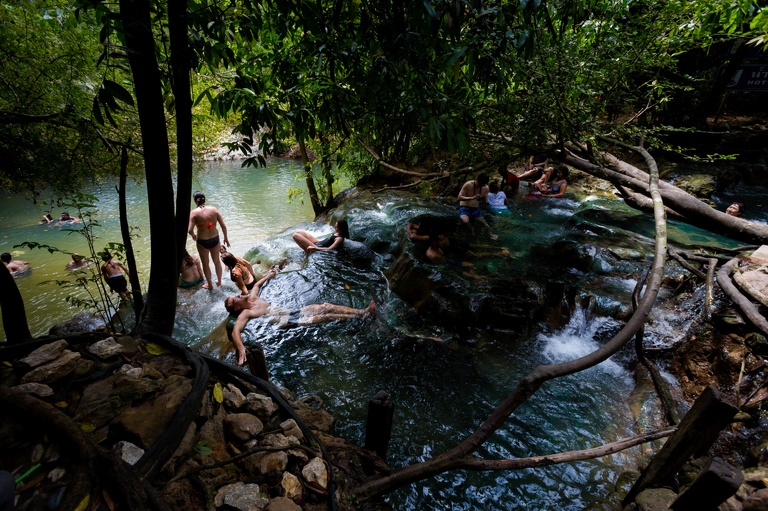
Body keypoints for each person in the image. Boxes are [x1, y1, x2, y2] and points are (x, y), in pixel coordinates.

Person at [224, 269, 376, 365]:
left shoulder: (252, 298)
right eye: (235, 298)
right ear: (237, 307)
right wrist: (241, 348)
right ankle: (360, 317)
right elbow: (235, 331)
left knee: (326, 306)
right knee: (328, 316)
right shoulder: (246, 313)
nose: (237, 294)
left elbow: (256, 286)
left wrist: (269, 276)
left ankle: (362, 312)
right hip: (291, 323)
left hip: (291, 312)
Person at [188, 191, 230, 289]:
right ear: (204, 199)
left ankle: (210, 285)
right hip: (215, 239)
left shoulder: (193, 213)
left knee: (205, 264)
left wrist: (193, 235)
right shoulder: (214, 210)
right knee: (217, 261)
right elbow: (223, 225)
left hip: (202, 241)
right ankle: (219, 282)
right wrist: (226, 238)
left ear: (195, 201)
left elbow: (190, 230)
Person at [458, 173, 494, 238]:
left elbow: (486, 200)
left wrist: (485, 201)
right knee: (465, 221)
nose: (481, 186)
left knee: (485, 225)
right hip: (464, 208)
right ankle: (471, 232)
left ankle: (490, 236)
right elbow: (459, 197)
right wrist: (472, 198)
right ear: (477, 179)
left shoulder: (485, 188)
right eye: (480, 184)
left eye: (483, 184)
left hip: (475, 209)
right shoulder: (468, 184)